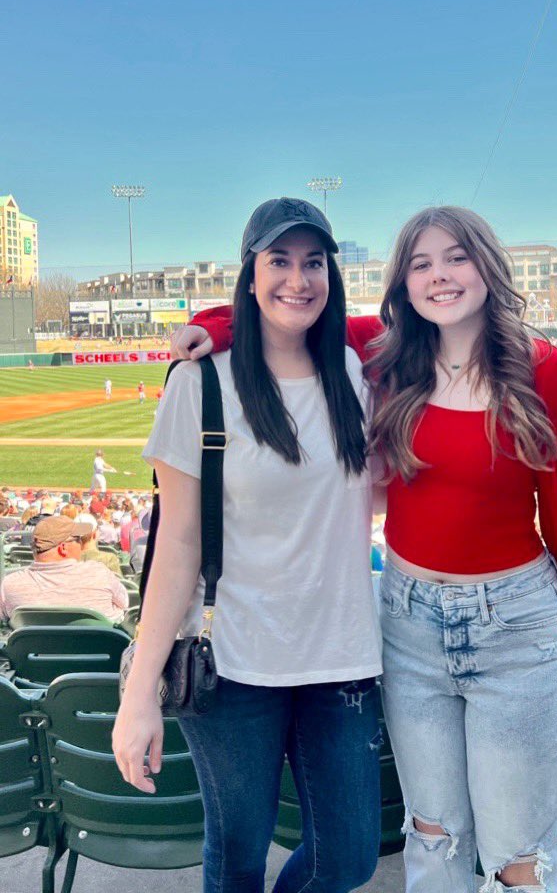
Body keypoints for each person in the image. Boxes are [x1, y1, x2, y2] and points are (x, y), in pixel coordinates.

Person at [174, 204, 557, 893]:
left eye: (456, 257)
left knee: (518, 861)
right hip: (409, 622)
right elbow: (296, 313)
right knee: (431, 835)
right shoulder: (388, 355)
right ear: (403, 281)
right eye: (421, 262)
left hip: (517, 627)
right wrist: (215, 323)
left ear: (487, 264)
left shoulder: (549, 374)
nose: (440, 276)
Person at [112, 198, 382, 893]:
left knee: (349, 857)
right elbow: (175, 545)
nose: (299, 279)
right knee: (235, 859)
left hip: (341, 661)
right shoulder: (200, 383)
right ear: (251, 274)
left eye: (313, 262)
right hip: (232, 666)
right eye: (280, 261)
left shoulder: (354, 376)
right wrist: (139, 696)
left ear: (332, 274)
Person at [0, 515, 128, 623]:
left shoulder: (10, 584)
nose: (81, 544)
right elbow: (125, 604)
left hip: (34, 652)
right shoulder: (99, 573)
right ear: (63, 548)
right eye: (78, 540)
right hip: (99, 651)